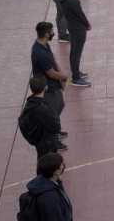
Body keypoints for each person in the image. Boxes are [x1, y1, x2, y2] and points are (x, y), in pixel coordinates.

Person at [31, 22, 69, 150]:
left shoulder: (44, 44)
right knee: (51, 114)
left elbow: (53, 62)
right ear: (46, 34)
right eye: (52, 31)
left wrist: (61, 76)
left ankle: (56, 132)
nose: (54, 33)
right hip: (48, 87)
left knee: (60, 105)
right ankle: (54, 140)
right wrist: (64, 77)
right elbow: (51, 73)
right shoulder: (39, 52)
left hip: (54, 84)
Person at [58, 0, 93, 87]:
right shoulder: (74, 0)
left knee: (74, 52)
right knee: (76, 53)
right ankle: (76, 78)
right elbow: (80, 15)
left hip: (72, 27)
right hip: (78, 29)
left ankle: (76, 72)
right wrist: (87, 24)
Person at [19, 76, 61, 160]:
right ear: (45, 87)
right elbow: (56, 126)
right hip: (46, 141)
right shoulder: (42, 108)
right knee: (47, 162)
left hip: (38, 140)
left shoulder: (30, 103)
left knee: (42, 159)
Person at [25, 153, 73, 220]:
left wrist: (58, 181)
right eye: (61, 164)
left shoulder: (44, 183)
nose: (63, 166)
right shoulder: (50, 197)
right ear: (55, 171)